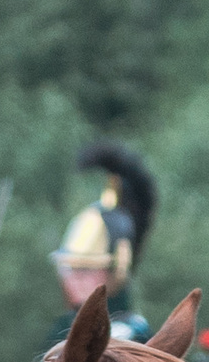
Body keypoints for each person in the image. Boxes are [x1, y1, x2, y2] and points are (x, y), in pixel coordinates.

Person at [49, 142, 156, 336]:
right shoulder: (60, 329)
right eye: (70, 270)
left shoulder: (130, 333)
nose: (75, 280)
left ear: (116, 271)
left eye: (86, 270)